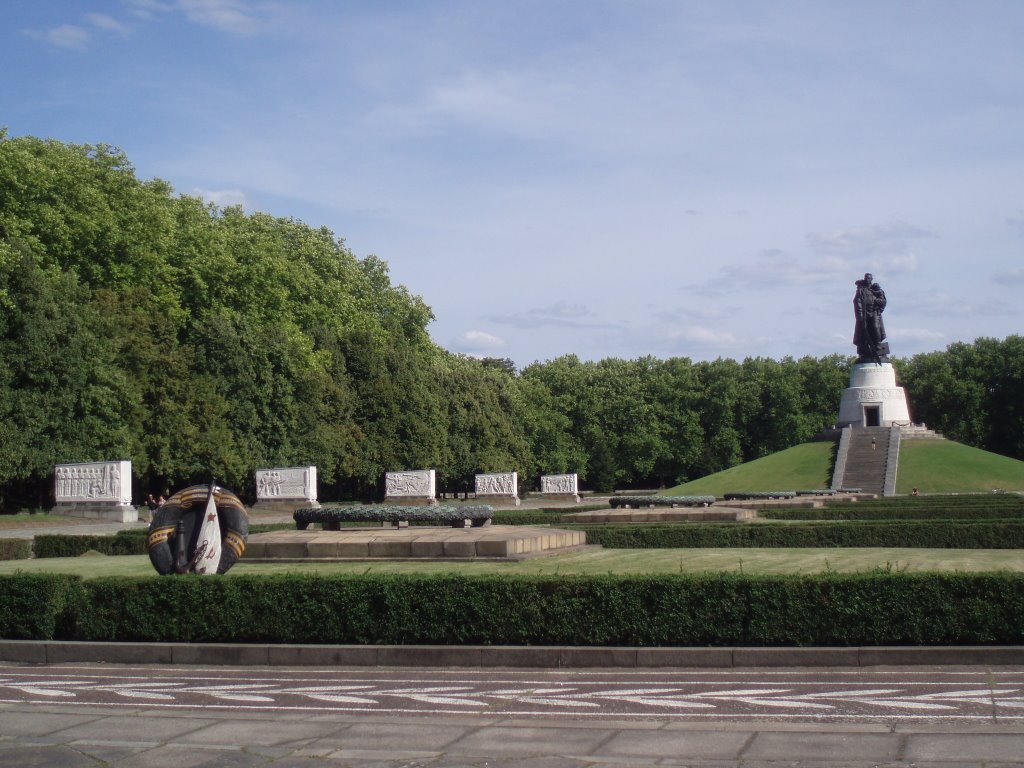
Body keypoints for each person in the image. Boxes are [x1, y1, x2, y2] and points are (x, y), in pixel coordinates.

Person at [853, 273, 887, 362]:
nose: (867, 279)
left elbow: (883, 300)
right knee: (865, 330)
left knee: (876, 327)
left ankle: (878, 344)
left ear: (871, 279)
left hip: (874, 312)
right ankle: (865, 349)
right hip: (864, 314)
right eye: (866, 278)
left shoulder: (876, 289)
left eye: (869, 278)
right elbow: (857, 301)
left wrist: (878, 302)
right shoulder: (861, 290)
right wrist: (860, 315)